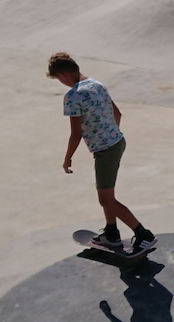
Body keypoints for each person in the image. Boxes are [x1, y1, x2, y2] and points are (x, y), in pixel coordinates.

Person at [48, 53, 157, 257]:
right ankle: (111, 233)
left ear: (62, 75)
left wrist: (67, 158)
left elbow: (76, 133)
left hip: (106, 150)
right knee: (107, 195)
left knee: (106, 200)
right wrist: (109, 134)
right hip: (117, 142)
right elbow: (117, 113)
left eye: (58, 79)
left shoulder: (73, 96)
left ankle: (144, 235)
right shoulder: (97, 84)